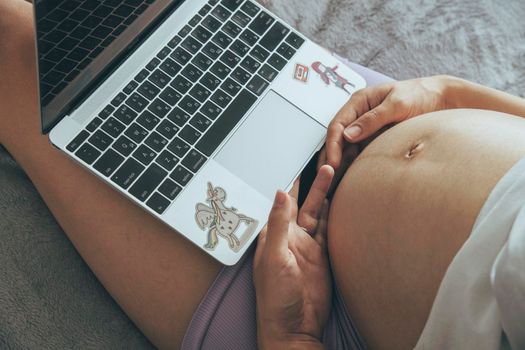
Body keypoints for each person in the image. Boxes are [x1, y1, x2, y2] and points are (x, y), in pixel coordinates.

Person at [1, 0, 525, 349]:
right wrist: (448, 92)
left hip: (299, 298)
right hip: (367, 112)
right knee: (155, 18)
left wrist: (290, 334)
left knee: (9, 42)